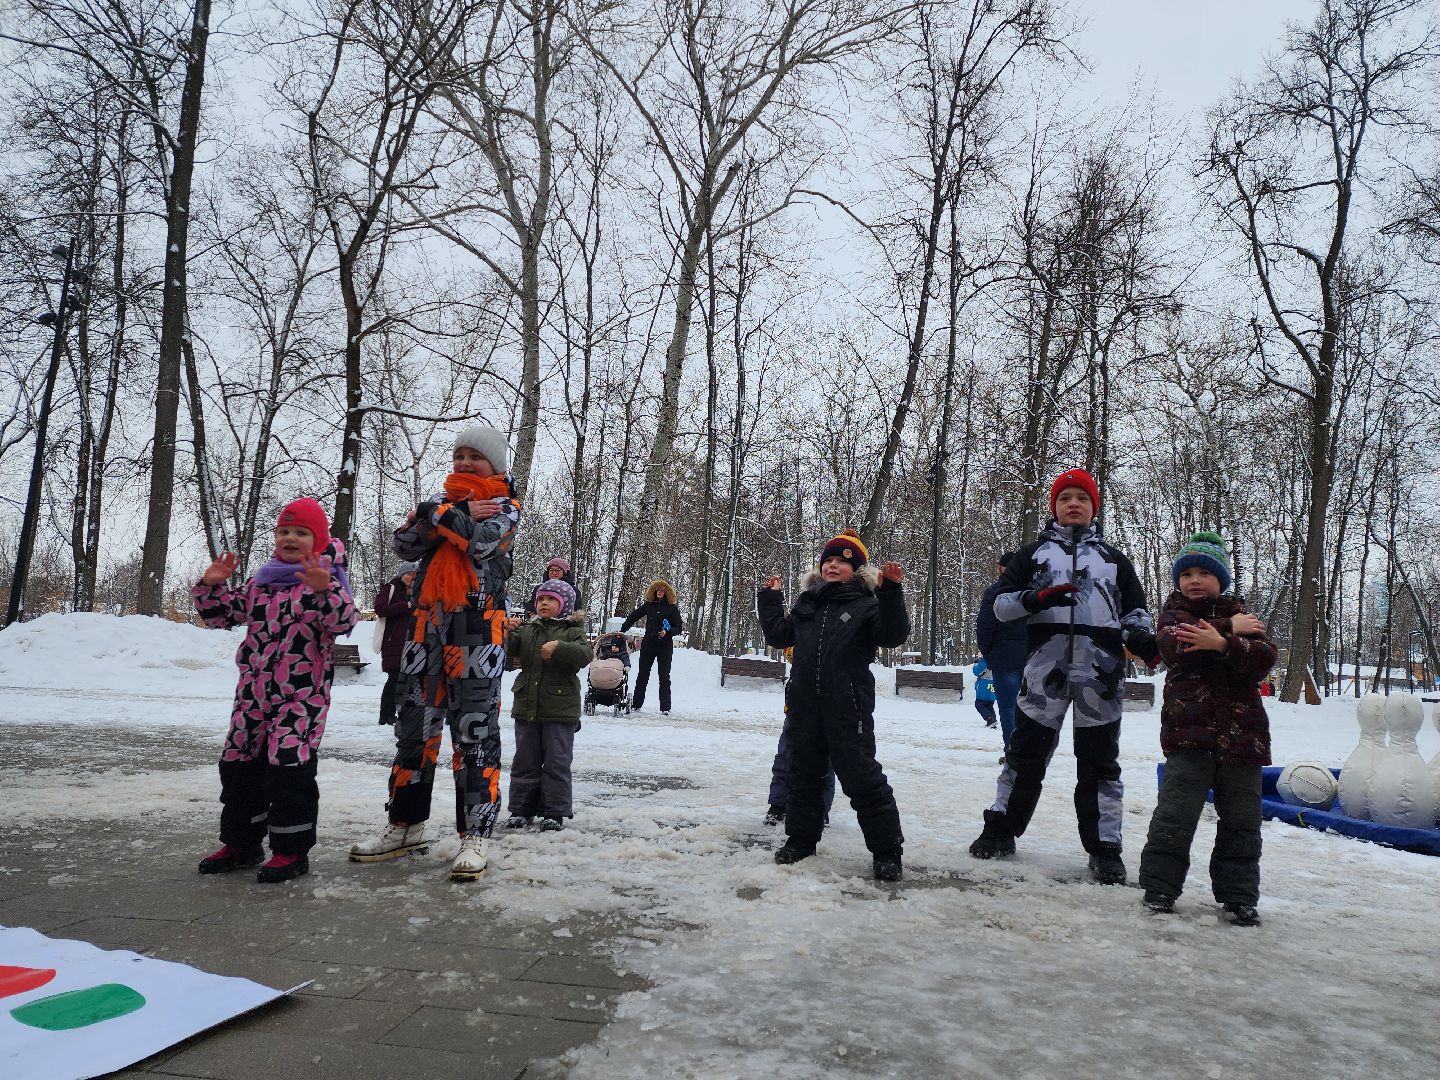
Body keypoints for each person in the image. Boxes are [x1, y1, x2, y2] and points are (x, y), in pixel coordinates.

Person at [968, 469, 1157, 885]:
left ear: (1094, 508)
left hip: (1100, 675)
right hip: (1043, 670)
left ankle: (1105, 847)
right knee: (1025, 754)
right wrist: (1035, 598)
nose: (1074, 504)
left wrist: (1145, 642)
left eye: (1082, 499)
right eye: (1065, 498)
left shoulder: (1114, 560)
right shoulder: (1032, 555)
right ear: (1054, 507)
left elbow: (1135, 615)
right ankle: (1001, 829)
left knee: (1100, 762)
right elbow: (1000, 606)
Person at [350, 424, 520, 882]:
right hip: (425, 631)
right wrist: (449, 513)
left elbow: (483, 542)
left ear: (495, 465)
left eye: (475, 458)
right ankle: (405, 825)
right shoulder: (451, 504)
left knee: (475, 735)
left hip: (477, 634)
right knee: (413, 731)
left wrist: (436, 514)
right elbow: (404, 543)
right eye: (459, 456)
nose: (464, 464)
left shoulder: (506, 507)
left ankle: (475, 835)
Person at [194, 498, 359, 883]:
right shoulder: (261, 581)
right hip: (252, 693)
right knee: (238, 763)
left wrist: (324, 590)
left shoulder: (323, 577)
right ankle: (242, 842)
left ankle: (290, 850)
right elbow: (222, 617)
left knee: (288, 766)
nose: (290, 538)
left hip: (302, 696)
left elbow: (343, 621)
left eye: (301, 532)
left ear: (317, 541)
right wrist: (212, 586)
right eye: (284, 531)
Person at [1138, 532, 1277, 926]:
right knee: (1175, 815)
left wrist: (1223, 643)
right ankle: (1160, 888)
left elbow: (1264, 658)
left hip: (1243, 739)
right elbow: (1174, 646)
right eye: (1187, 573)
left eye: (1204, 572)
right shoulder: (1173, 614)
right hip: (1188, 736)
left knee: (1242, 821)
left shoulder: (1244, 616)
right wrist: (1226, 627)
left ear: (1221, 579)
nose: (1194, 580)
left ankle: (1239, 897)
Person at [757, 529, 910, 882]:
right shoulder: (806, 604)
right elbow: (779, 635)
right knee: (804, 775)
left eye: (842, 561)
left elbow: (893, 634)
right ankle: (800, 841)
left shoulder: (867, 605)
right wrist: (769, 600)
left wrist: (891, 592)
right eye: (828, 560)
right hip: (805, 707)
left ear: (855, 570)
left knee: (862, 778)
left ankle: (887, 851)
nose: (833, 566)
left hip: (848, 707)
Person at [505, 579, 592, 831]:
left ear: (564, 604)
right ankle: (521, 810)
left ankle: (554, 812)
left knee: (556, 762)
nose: (544, 603)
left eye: (551, 599)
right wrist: (507, 631)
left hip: (560, 709)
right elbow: (509, 649)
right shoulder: (528, 629)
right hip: (526, 706)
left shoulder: (573, 631)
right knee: (525, 761)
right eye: (541, 599)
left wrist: (559, 648)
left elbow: (585, 655)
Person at [976, 553, 1026, 754]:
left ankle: (1012, 750)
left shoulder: (994, 593)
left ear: (1002, 569)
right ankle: (1028, 751)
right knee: (1029, 707)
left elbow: (985, 626)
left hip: (1003, 658)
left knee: (1007, 707)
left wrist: (989, 654)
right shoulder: (1032, 591)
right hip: (1031, 657)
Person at [620, 580, 684, 714]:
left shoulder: (672, 608)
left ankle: (665, 708)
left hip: (665, 646)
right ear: (654, 592)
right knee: (642, 674)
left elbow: (678, 627)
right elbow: (633, 616)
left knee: (664, 676)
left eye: (663, 590)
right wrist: (622, 630)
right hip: (648, 643)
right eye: (658, 590)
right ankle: (636, 704)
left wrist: (668, 632)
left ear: (667, 593)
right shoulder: (648, 606)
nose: (660, 592)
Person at [373, 561, 418, 726]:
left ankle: (396, 713)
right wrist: (405, 606)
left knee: (405, 679)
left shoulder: (415, 592)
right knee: (395, 678)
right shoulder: (390, 588)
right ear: (401, 574)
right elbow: (380, 609)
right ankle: (386, 715)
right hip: (393, 641)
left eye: (414, 575)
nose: (411, 578)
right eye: (408, 574)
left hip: (411, 641)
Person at [972, 657, 997, 728]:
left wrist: (976, 663)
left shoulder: (985, 660)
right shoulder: (997, 658)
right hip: (993, 684)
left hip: (985, 684)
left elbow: (976, 672)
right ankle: (993, 721)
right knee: (989, 705)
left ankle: (990, 719)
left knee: (979, 704)